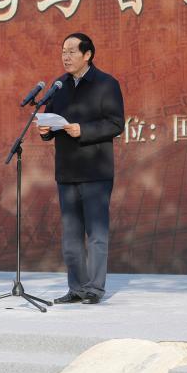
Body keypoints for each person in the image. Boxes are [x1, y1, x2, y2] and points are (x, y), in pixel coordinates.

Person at [39, 33, 124, 305]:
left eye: (72, 51)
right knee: (71, 235)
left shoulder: (106, 84)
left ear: (87, 55)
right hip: (66, 169)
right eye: (63, 51)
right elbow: (51, 121)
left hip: (96, 170)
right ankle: (76, 287)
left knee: (96, 234)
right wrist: (45, 131)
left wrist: (83, 130)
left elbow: (115, 124)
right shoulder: (59, 85)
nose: (66, 56)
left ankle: (94, 289)